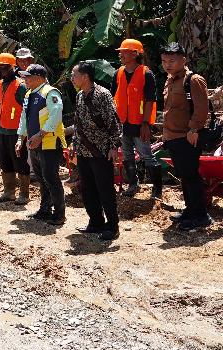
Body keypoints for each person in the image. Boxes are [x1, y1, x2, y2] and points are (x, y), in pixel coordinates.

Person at [160, 42, 213, 231]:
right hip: (172, 136)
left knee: (191, 176)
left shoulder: (193, 80)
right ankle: (190, 210)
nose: (168, 65)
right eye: (164, 61)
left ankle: (201, 215)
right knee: (184, 176)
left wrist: (193, 130)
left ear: (184, 59)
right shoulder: (170, 79)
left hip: (187, 136)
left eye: (172, 61)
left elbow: (201, 109)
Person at [71, 62, 123, 240]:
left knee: (105, 189)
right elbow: (78, 124)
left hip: (101, 150)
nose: (72, 78)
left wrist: (114, 146)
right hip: (83, 151)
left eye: (74, 74)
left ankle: (112, 226)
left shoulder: (103, 95)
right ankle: (95, 222)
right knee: (87, 188)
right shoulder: (79, 96)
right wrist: (74, 146)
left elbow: (114, 123)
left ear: (85, 77)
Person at [16, 64, 67, 226]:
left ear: (38, 78)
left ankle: (59, 214)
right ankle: (45, 209)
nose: (25, 80)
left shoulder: (50, 92)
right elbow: (24, 118)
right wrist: (20, 138)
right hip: (34, 143)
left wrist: (40, 134)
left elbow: (56, 114)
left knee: (51, 178)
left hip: (50, 142)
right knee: (41, 178)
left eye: (28, 77)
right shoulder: (29, 94)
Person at [111, 38, 160, 198]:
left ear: (134, 54)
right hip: (123, 123)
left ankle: (157, 190)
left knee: (147, 155)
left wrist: (146, 123)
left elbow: (150, 100)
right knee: (126, 155)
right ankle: (133, 185)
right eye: (121, 52)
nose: (121, 55)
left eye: (124, 52)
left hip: (140, 123)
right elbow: (113, 97)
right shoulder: (118, 73)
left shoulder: (146, 73)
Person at [0, 53, 30, 204]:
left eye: (4, 68)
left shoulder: (20, 86)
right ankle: (9, 192)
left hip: (16, 131)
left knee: (20, 162)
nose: (1, 71)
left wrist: (24, 132)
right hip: (2, 130)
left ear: (12, 68)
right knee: (5, 161)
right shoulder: (0, 84)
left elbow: (27, 110)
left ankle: (24, 194)